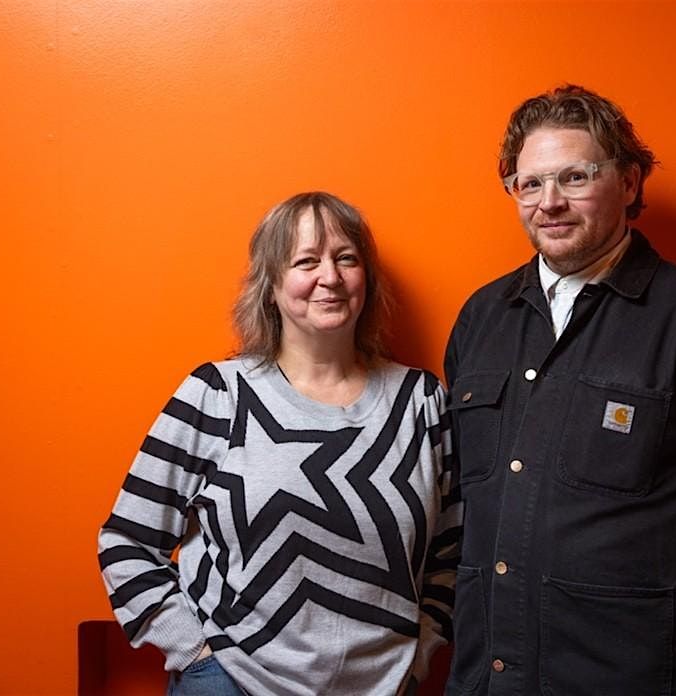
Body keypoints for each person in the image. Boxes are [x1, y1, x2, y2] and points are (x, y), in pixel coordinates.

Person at [444, 85, 676, 695]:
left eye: (575, 178)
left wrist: (674, 653)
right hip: (489, 680)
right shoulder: (481, 318)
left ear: (629, 181)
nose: (549, 202)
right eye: (529, 184)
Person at [98, 192, 461, 696]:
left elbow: (454, 550)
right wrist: (196, 658)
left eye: (346, 258)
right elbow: (126, 540)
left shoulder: (422, 401)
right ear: (269, 286)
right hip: (231, 684)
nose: (330, 277)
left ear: (367, 279)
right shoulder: (217, 395)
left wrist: (420, 655)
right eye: (306, 261)